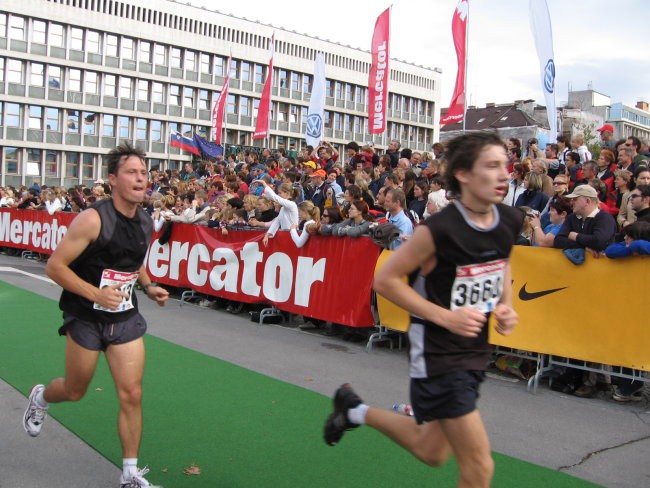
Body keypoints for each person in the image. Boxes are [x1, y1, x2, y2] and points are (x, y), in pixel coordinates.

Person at [323, 132, 524, 488]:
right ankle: (354, 410)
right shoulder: (439, 230)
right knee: (479, 468)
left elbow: (501, 263)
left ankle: (354, 410)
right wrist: (445, 316)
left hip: (474, 348)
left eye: (504, 165)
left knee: (431, 451)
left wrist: (505, 307)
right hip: (438, 353)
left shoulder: (508, 219)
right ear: (463, 173)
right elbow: (385, 280)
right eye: (492, 166)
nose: (504, 174)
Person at [23, 143, 169, 488]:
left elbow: (133, 262)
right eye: (132, 172)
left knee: (131, 393)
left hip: (124, 317)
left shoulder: (146, 221)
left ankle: (130, 473)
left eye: (144, 173)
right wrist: (95, 293)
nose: (140, 178)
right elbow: (55, 266)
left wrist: (148, 286)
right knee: (75, 390)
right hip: (85, 316)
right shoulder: (92, 219)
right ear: (113, 179)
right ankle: (41, 397)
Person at [258, 180, 299, 246]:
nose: (278, 195)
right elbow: (277, 222)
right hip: (286, 237)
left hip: (293, 238)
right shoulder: (283, 208)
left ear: (287, 193)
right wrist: (267, 234)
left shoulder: (292, 204)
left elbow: (275, 198)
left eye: (280, 193)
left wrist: (264, 184)